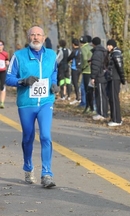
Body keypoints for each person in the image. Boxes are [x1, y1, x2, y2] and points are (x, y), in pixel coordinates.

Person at [5, 25, 58, 188]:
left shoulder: (51, 55)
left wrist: (54, 84)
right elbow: (8, 78)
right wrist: (23, 81)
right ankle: (28, 168)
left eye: (39, 35)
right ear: (29, 38)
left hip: (45, 102)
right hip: (26, 104)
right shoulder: (19, 56)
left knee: (45, 136)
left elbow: (54, 73)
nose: (36, 37)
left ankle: (47, 174)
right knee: (28, 137)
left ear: (43, 37)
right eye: (33, 35)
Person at [106, 39, 125, 126]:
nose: (108, 47)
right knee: (112, 99)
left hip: (115, 78)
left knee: (114, 99)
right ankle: (114, 118)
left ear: (113, 46)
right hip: (111, 78)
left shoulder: (116, 54)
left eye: (109, 45)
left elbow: (120, 67)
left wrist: (122, 78)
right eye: (107, 45)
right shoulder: (112, 54)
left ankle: (117, 120)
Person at [68, 38, 82, 105]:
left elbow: (69, 58)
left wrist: (69, 60)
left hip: (75, 68)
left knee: (75, 83)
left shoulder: (74, 51)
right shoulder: (80, 50)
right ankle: (79, 96)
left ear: (73, 44)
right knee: (77, 83)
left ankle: (78, 98)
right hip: (80, 68)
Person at [80, 35, 92, 112]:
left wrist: (83, 67)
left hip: (86, 71)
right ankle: (92, 105)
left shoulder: (83, 48)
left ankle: (87, 106)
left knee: (86, 89)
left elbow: (84, 59)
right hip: (92, 70)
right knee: (91, 89)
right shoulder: (91, 47)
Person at [0, 39, 9, 108]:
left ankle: (2, 103)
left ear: (3, 46)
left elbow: (7, 59)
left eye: (1, 45)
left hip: (3, 71)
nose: (0, 46)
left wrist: (7, 62)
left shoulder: (5, 53)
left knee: (2, 86)